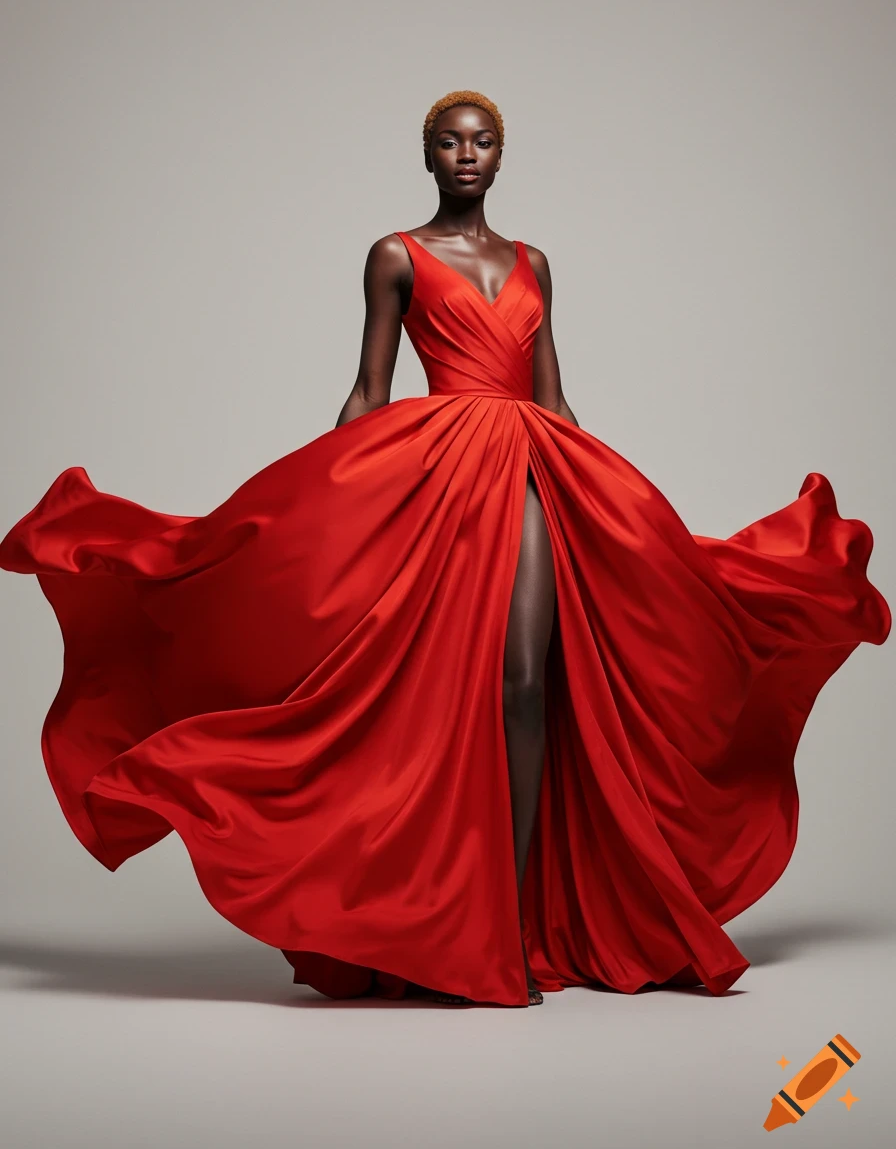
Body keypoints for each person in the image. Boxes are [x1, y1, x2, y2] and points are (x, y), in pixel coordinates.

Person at [1, 89, 890, 1010]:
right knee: (440, 686)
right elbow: (368, 390)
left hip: (539, 465)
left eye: (483, 142)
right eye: (449, 142)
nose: (467, 155)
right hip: (442, 474)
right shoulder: (397, 255)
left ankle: (506, 915)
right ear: (427, 157)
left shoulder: (536, 260)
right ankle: (460, 918)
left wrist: (615, 498)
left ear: (502, 157)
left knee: (528, 682)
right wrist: (329, 502)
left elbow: (552, 394)